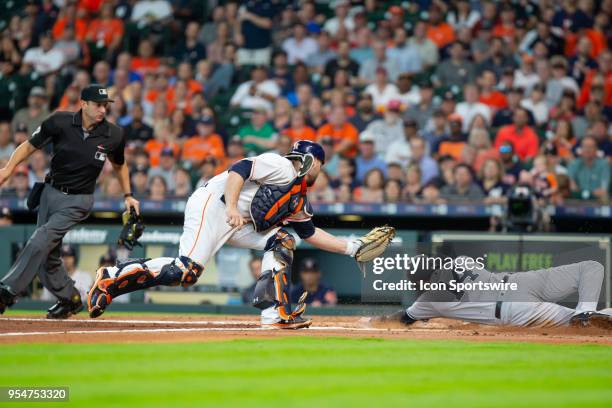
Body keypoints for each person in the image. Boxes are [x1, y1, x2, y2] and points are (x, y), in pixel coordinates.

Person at [88, 141, 388, 329]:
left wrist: (352, 247)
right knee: (187, 270)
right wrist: (232, 205)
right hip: (214, 204)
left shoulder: (298, 200)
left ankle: (275, 312)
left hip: (237, 220)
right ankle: (111, 277)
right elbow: (239, 169)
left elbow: (309, 233)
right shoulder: (282, 166)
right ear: (315, 162)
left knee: (282, 238)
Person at [0, 84, 140, 319]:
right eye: (98, 105)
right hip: (49, 193)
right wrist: (8, 168)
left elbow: (119, 164)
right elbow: (30, 145)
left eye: (105, 105)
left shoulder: (114, 134)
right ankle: (70, 298)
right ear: (84, 104)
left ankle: (6, 291)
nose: (103, 110)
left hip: (79, 200)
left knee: (40, 239)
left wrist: (128, 195)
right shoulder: (59, 122)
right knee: (47, 256)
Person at [377, 261, 611, 328]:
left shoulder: (428, 300)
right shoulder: (460, 262)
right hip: (520, 282)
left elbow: (405, 318)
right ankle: (585, 310)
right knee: (591, 267)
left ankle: (584, 316)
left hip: (517, 311)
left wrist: (375, 321)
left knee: (585, 326)